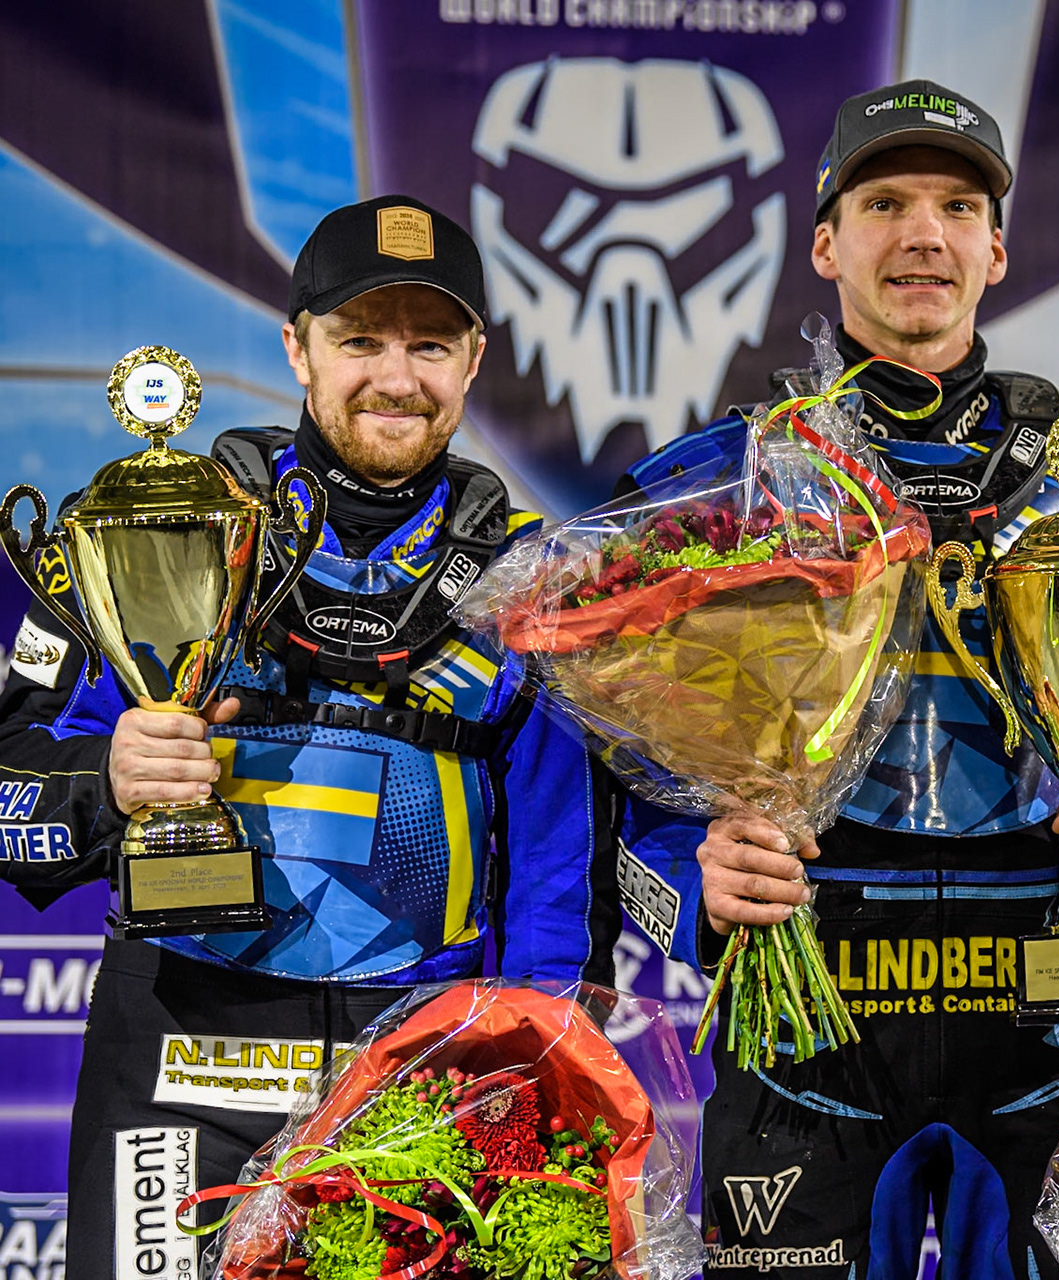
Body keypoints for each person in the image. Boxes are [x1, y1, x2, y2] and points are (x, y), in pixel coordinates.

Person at [615, 81, 1059, 1279]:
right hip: (812, 990)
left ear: (998, 248)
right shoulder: (714, 484)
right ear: (827, 240)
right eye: (884, 200)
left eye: (957, 204)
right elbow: (614, 756)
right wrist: (688, 875)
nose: (923, 234)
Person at [0, 195, 618, 1276]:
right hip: (182, 1065)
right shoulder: (160, 531)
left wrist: (528, 1067)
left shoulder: (536, 584)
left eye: (430, 343)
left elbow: (558, 876)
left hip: (419, 1076)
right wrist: (106, 775)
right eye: (359, 339)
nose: (396, 376)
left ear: (474, 359)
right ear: (296, 347)